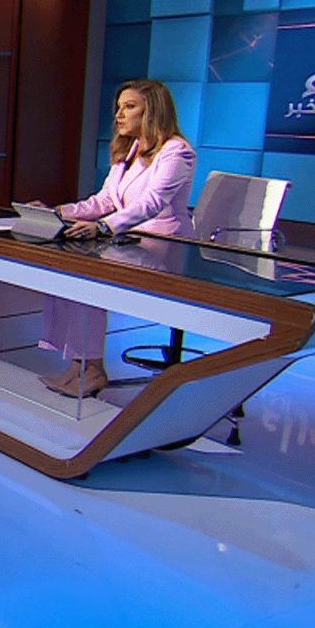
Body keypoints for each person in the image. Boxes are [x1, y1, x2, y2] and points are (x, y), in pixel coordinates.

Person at [38, 78, 196, 398]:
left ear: (152, 111)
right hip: (129, 243)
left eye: (129, 107)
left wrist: (104, 227)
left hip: (166, 248)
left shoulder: (177, 151)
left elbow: (152, 203)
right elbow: (104, 201)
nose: (119, 115)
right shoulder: (130, 149)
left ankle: (92, 370)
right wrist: (59, 212)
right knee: (65, 270)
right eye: (119, 107)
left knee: (87, 278)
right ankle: (80, 365)